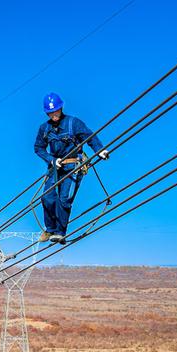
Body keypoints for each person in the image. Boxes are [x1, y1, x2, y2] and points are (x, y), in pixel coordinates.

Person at [34, 92, 109, 244]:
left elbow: (90, 137)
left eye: (55, 111)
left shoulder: (73, 123)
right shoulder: (44, 128)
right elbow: (38, 148)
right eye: (50, 112)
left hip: (73, 165)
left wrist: (100, 150)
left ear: (61, 108)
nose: (53, 114)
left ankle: (60, 233)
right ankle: (50, 229)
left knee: (64, 199)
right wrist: (51, 159)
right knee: (47, 198)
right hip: (55, 167)